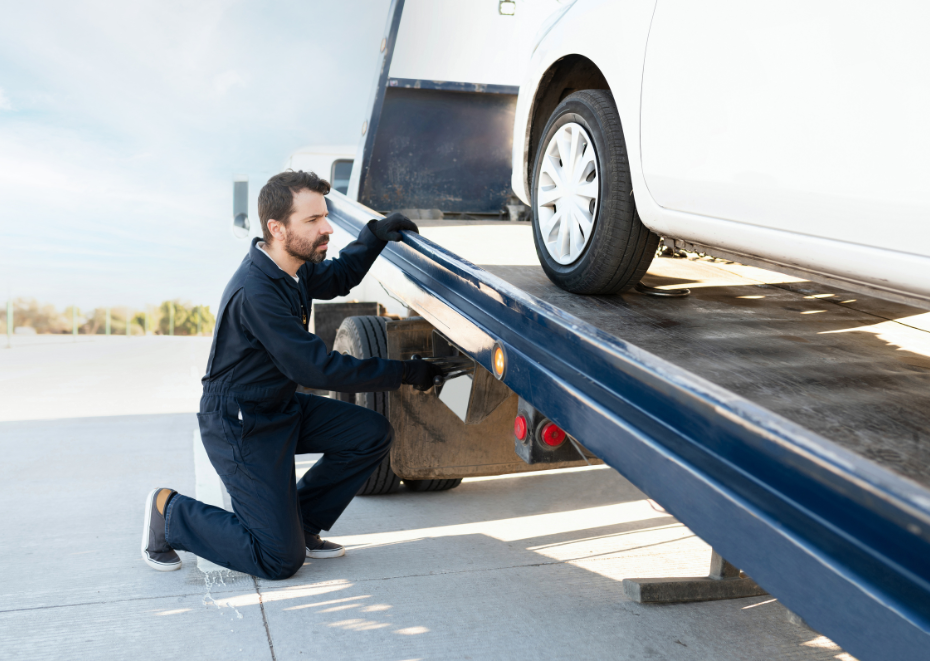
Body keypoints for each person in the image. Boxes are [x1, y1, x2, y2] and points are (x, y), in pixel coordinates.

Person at [140, 170, 441, 579]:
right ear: (277, 228)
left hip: (278, 406)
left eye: (324, 216)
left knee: (369, 434)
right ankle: (169, 512)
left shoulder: (293, 266)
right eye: (313, 220)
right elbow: (315, 368)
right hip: (240, 424)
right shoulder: (257, 291)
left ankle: (301, 523)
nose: (327, 227)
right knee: (278, 559)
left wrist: (374, 235)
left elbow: (338, 278)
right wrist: (405, 372)